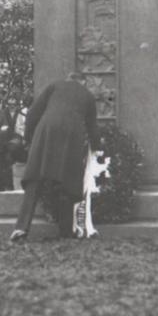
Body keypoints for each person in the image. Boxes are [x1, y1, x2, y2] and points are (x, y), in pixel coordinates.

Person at [10, 72, 100, 242]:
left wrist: (30, 139)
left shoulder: (54, 86)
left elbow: (32, 114)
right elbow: (92, 127)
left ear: (69, 79)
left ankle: (21, 228)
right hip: (72, 136)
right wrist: (97, 148)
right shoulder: (87, 95)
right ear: (83, 82)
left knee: (34, 182)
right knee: (66, 183)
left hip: (46, 133)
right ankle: (66, 231)